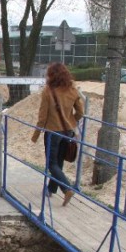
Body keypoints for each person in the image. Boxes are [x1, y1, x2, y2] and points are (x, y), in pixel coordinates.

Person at [31, 62, 84, 206]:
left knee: (51, 163)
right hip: (68, 133)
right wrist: (71, 122)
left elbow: (42, 117)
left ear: (51, 75)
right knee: (58, 162)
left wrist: (35, 135)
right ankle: (50, 189)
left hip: (53, 132)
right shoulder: (73, 89)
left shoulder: (48, 91)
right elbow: (81, 112)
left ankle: (66, 189)